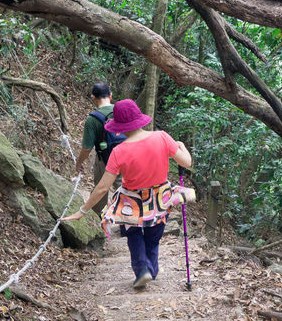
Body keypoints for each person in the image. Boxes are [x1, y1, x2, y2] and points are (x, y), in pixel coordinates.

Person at [62, 99, 193, 290]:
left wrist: (82, 210)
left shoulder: (119, 151)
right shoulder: (162, 137)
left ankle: (142, 270)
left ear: (119, 127)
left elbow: (102, 187)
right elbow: (187, 162)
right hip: (158, 198)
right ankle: (151, 269)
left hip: (131, 200)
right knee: (153, 235)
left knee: (133, 234)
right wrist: (181, 146)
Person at [73, 82, 120, 216]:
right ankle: (131, 217)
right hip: (127, 156)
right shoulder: (121, 110)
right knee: (125, 187)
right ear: (110, 95)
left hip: (105, 158)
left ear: (93, 97)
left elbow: (87, 148)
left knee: (100, 187)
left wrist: (79, 163)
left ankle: (99, 219)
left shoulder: (92, 119)